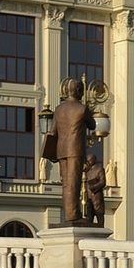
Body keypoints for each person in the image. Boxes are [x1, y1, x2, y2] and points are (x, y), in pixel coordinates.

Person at [42, 78, 92, 225]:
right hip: (74, 149)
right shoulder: (82, 109)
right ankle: (73, 215)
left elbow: (53, 131)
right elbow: (93, 124)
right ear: (78, 91)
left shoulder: (58, 109)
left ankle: (69, 214)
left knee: (66, 183)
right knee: (74, 183)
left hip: (61, 149)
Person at [82, 152, 106, 227]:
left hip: (96, 195)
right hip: (88, 197)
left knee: (99, 214)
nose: (88, 162)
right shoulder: (87, 170)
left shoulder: (99, 169)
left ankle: (101, 227)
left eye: (89, 161)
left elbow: (102, 182)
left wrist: (94, 187)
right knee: (89, 216)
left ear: (93, 160)